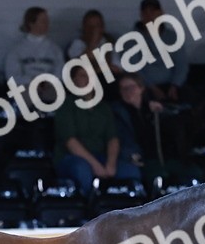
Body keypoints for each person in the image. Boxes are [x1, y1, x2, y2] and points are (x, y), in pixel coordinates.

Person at [55, 65, 141, 194]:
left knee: (131, 171)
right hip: (72, 158)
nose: (88, 79)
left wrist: (111, 164)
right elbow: (71, 142)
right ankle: (88, 210)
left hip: (101, 156)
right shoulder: (66, 106)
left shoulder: (104, 107)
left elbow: (113, 138)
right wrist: (95, 165)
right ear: (73, 81)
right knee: (82, 170)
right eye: (83, 75)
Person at [112, 73, 200, 189]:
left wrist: (162, 111)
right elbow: (122, 137)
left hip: (167, 157)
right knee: (157, 177)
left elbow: (184, 114)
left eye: (131, 87)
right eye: (123, 88)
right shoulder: (118, 112)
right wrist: (132, 155)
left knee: (194, 173)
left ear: (141, 88)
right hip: (143, 159)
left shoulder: (155, 106)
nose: (127, 91)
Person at [134, 0, 189, 102]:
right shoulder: (133, 39)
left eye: (153, 11)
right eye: (145, 12)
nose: (149, 16)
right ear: (141, 16)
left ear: (161, 13)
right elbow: (136, 69)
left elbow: (182, 64)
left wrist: (175, 85)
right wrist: (152, 88)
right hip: (146, 87)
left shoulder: (173, 37)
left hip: (171, 85)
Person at [5, 7, 65, 90]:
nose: (47, 24)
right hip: (25, 88)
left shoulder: (55, 49)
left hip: (49, 88)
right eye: (43, 21)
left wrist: (47, 82)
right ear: (31, 23)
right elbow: (12, 77)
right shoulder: (17, 50)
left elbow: (60, 73)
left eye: (47, 21)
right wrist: (32, 81)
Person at [66, 9, 122, 79]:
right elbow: (77, 67)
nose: (93, 30)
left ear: (102, 27)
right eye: (89, 26)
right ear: (84, 27)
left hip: (107, 83)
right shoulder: (76, 44)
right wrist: (93, 42)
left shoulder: (110, 43)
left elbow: (116, 70)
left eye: (96, 26)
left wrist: (97, 70)